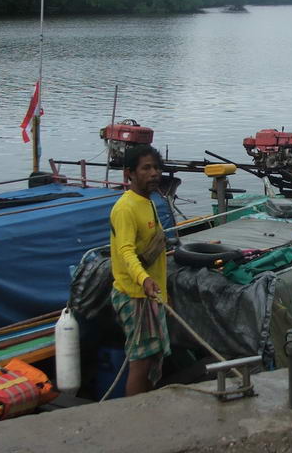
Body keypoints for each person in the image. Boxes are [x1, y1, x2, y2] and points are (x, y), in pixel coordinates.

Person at [110, 144, 170, 396]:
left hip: (151, 294)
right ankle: (135, 415)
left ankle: (148, 407)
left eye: (156, 167)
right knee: (140, 362)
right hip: (134, 295)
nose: (154, 173)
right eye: (146, 168)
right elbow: (126, 253)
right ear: (129, 174)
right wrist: (144, 280)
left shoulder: (149, 202)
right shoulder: (125, 208)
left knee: (151, 358)